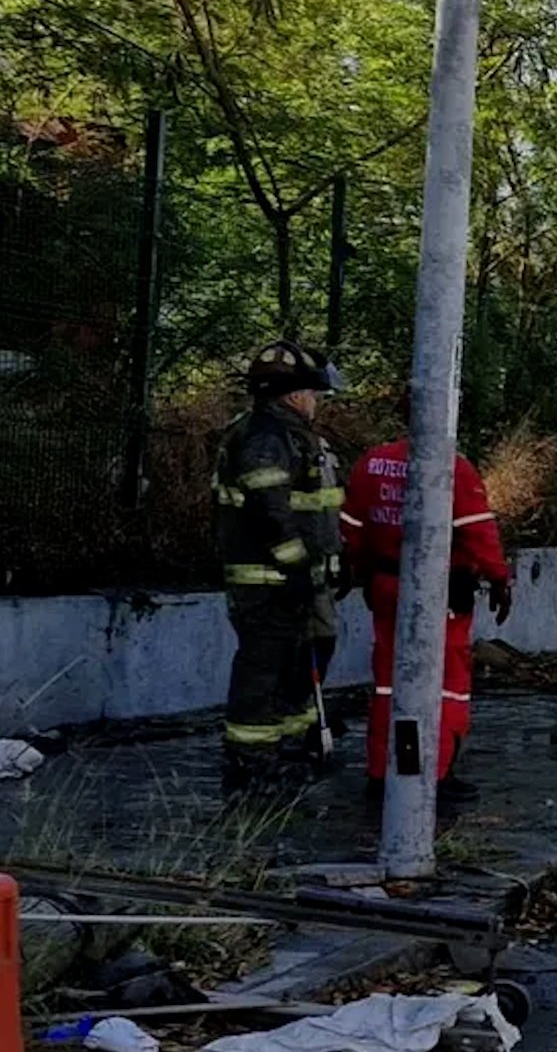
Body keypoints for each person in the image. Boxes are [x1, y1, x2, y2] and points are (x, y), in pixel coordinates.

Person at [339, 386, 512, 802]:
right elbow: (479, 534)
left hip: (385, 587)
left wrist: (358, 573)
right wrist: (500, 578)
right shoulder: (453, 468)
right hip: (441, 593)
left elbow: (350, 530)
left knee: (389, 681)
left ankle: (383, 772)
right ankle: (432, 773)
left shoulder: (373, 463)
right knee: (447, 682)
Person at [212, 340, 345, 794]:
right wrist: (296, 568)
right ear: (293, 395)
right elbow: (270, 511)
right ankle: (252, 764)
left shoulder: (294, 437)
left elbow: (316, 511)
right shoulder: (265, 439)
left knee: (304, 659)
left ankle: (290, 749)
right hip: (268, 584)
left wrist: (326, 566)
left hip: (300, 580)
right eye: (313, 394)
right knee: (262, 671)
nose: (316, 403)